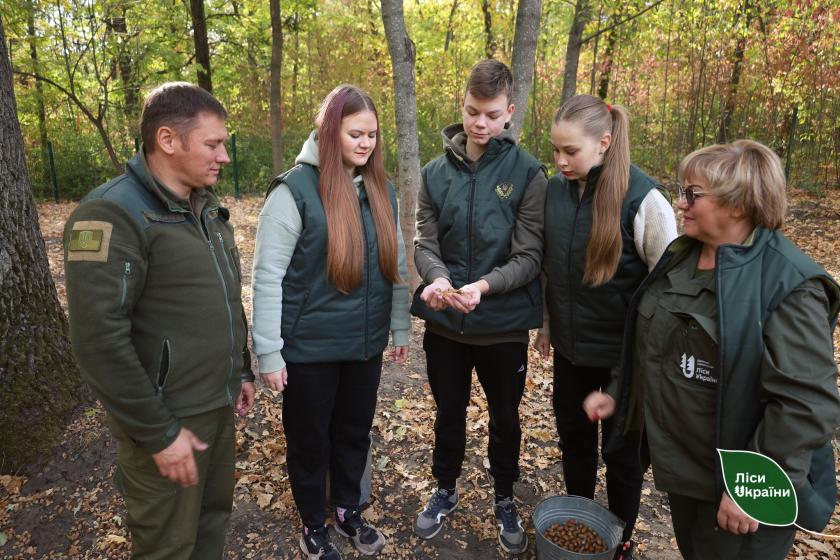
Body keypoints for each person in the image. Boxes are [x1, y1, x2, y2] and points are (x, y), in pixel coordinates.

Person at [585, 140, 840, 560]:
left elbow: (805, 404)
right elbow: (654, 338)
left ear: (737, 206)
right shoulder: (682, 255)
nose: (679, 202)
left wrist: (750, 491)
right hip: (685, 470)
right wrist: (619, 391)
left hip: (738, 490)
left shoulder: (788, 284)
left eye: (692, 194)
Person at [64, 82, 255, 559]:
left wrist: (243, 368)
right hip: (166, 418)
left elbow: (225, 297)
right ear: (168, 140)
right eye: (213, 144)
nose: (224, 156)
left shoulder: (206, 206)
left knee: (211, 523)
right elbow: (98, 340)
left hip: (216, 404)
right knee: (168, 544)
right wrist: (158, 433)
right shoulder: (112, 214)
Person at [251, 84, 409, 560]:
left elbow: (395, 264)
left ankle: (346, 509)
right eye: (355, 134)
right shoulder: (294, 191)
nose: (365, 144)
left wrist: (399, 327)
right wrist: (270, 351)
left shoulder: (382, 189)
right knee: (309, 440)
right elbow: (266, 277)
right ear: (329, 132)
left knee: (354, 431)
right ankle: (312, 521)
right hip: (308, 349)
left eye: (372, 135)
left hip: (364, 346)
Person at [411, 59, 548, 554]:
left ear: (509, 111)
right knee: (449, 412)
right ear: (462, 105)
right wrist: (439, 277)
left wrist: (484, 287)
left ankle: (504, 496)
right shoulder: (434, 172)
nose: (479, 124)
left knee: (505, 417)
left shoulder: (529, 173)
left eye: (490, 115)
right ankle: (444, 489)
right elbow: (424, 241)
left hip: (502, 325)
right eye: (472, 112)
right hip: (445, 324)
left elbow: (530, 256)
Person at [534, 94, 677, 559]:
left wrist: (638, 367)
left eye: (570, 151)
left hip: (626, 359)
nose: (560, 161)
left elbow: (669, 288)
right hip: (574, 351)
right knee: (575, 442)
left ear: (604, 142)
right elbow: (553, 267)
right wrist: (548, 326)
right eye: (555, 150)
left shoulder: (644, 199)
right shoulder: (555, 190)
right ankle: (579, 524)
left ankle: (621, 540)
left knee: (622, 454)